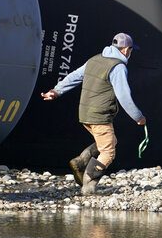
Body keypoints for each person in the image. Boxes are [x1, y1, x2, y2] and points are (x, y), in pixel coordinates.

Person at [41, 32, 146, 195]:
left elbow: (75, 76)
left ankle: (81, 161)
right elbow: (124, 96)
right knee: (108, 152)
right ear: (125, 50)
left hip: (84, 112)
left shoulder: (95, 59)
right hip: (100, 114)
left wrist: (56, 91)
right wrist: (138, 117)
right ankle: (88, 186)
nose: (130, 53)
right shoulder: (118, 67)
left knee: (109, 141)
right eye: (131, 50)